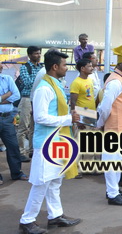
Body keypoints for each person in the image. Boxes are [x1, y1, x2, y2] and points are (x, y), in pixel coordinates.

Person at [19, 50, 80, 234]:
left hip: (58, 140)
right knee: (41, 183)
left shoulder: (56, 84)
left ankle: (55, 216)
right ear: (55, 67)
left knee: (55, 181)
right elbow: (40, 117)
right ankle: (27, 221)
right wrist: (68, 119)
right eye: (64, 65)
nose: (66, 69)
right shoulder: (45, 88)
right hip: (46, 143)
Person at [97, 46, 122, 206]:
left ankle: (114, 189)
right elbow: (105, 106)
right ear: (119, 64)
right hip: (115, 129)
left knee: (119, 161)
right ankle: (112, 194)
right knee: (112, 161)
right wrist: (100, 124)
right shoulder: (115, 81)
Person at [0, 63, 28, 186]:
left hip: (7, 119)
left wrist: (1, 99)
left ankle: (17, 172)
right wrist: (7, 95)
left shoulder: (8, 79)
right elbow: (11, 94)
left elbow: (16, 95)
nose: (1, 66)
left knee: (13, 146)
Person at [17, 46, 43, 162]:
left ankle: (32, 151)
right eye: (36, 54)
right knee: (23, 127)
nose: (38, 55)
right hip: (27, 99)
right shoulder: (24, 67)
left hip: (37, 98)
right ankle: (21, 152)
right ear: (30, 55)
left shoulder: (42, 67)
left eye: (39, 53)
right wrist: (40, 80)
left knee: (35, 126)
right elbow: (27, 83)